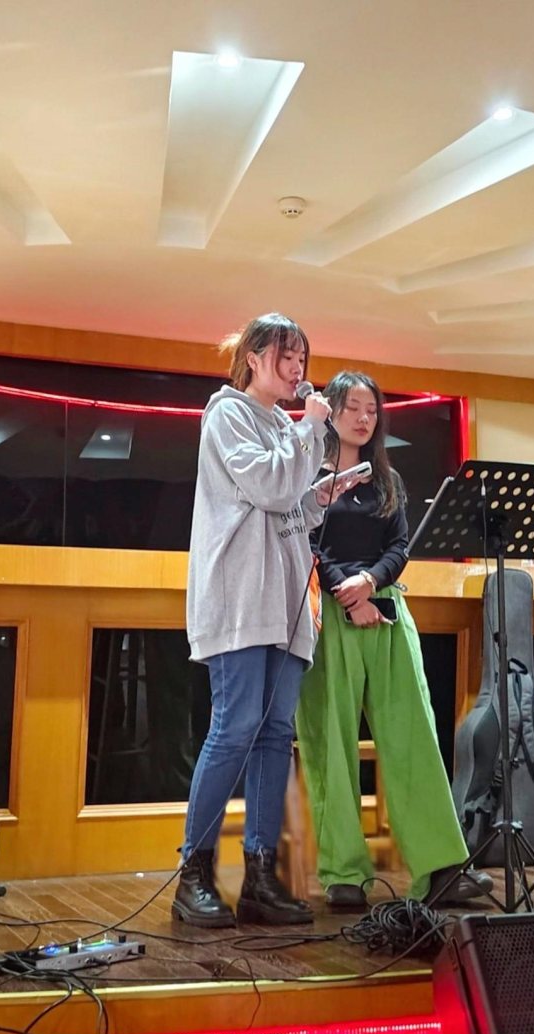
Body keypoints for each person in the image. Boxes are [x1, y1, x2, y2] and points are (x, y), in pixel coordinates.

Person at [173, 313, 348, 929]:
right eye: (286, 357)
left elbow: (288, 508)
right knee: (236, 726)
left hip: (286, 600)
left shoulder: (286, 425)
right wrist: (312, 430)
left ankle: (260, 878)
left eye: (302, 359)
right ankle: (193, 874)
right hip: (242, 598)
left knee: (276, 733)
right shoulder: (228, 414)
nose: (297, 370)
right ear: (253, 358)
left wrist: (318, 498)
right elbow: (270, 488)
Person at [295, 371, 492, 911]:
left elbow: (401, 545)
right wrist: (347, 590)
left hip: (386, 609)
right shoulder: (305, 472)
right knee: (329, 744)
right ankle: (343, 873)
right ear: (331, 411)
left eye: (372, 410)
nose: (364, 418)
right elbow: (305, 540)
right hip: (327, 611)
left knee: (415, 739)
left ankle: (441, 866)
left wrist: (371, 582)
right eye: (353, 408)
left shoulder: (387, 479)